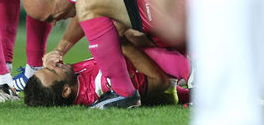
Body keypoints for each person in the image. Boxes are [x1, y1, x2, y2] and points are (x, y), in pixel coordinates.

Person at [22, 0, 190, 109]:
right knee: (116, 34)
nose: (55, 21)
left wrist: (62, 49)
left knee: (116, 35)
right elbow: (92, 10)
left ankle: (125, 91)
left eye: (51, 16)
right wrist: (61, 49)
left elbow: (94, 8)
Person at [23, 38, 184, 107]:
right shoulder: (100, 87)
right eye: (53, 70)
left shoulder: (71, 77)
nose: (55, 64)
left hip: (158, 58)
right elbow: (161, 82)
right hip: (164, 70)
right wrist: (122, 44)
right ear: (66, 90)